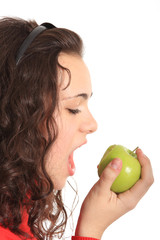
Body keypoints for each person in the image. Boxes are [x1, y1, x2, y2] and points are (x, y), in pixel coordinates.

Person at [0, 17, 154, 240]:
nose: (92, 125)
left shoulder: (16, 217)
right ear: (18, 114)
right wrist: (91, 231)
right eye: (73, 108)